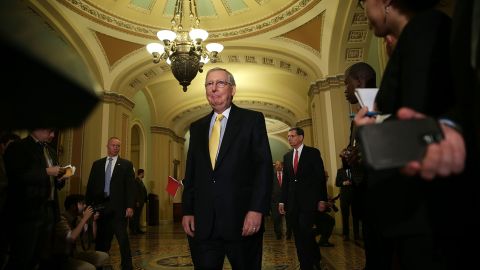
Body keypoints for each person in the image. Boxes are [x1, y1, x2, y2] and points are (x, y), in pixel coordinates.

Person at [354, 0, 456, 268]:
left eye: (365, 2)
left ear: (385, 2)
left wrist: (369, 132)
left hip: (424, 209)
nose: (364, 12)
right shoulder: (419, 33)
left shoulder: (424, 28)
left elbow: (419, 122)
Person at [181, 67, 273, 270]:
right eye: (209, 84)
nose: (213, 88)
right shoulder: (196, 127)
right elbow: (191, 173)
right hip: (204, 226)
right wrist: (187, 210)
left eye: (220, 83)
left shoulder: (252, 120)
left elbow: (263, 168)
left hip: (242, 223)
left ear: (232, 89)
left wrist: (257, 209)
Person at [3, 128, 67, 270]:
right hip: (28, 212)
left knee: (41, 256)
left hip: (49, 210)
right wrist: (47, 171)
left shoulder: (50, 151)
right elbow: (17, 175)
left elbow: (55, 182)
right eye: (49, 131)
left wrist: (60, 178)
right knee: (22, 257)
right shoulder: (19, 147)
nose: (53, 135)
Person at [278, 127, 328, 270]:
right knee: (299, 235)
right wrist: (282, 201)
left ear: (301, 137)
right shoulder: (287, 157)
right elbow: (286, 182)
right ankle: (309, 260)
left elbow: (320, 178)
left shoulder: (312, 153)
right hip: (293, 204)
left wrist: (322, 199)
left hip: (309, 203)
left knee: (306, 232)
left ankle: (308, 263)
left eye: (292, 136)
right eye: (288, 136)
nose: (289, 138)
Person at [85, 136, 135, 270]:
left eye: (118, 146)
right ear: (108, 146)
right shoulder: (97, 164)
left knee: (123, 240)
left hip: (119, 210)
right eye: (113, 145)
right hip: (101, 208)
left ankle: (127, 266)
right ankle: (99, 265)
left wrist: (130, 206)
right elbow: (91, 186)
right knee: (101, 241)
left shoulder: (126, 164)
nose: (116, 148)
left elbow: (130, 187)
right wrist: (89, 206)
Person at [340, 62, 376, 245]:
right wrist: (348, 153)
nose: (345, 89)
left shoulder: (382, 105)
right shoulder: (357, 118)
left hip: (380, 190)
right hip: (362, 188)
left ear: (360, 80)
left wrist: (363, 154)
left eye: (347, 83)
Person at [48, 194, 109, 270]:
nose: (85, 206)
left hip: (74, 254)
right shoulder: (61, 219)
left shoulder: (77, 219)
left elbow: (91, 238)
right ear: (73, 206)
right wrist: (84, 219)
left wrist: (93, 221)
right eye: (82, 203)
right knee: (89, 268)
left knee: (103, 256)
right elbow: (71, 238)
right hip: (60, 258)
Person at [314, 171, 336, 248]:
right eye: (326, 177)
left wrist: (328, 198)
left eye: (327, 177)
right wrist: (328, 204)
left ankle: (323, 240)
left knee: (326, 223)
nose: (327, 178)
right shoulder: (319, 185)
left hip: (319, 212)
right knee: (329, 222)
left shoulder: (320, 184)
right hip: (316, 211)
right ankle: (322, 240)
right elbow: (318, 200)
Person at [271, 161, 286, 240]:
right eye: (276, 165)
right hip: (274, 201)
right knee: (276, 218)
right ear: (275, 167)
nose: (278, 166)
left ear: (282, 165)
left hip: (286, 200)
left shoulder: (286, 175)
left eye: (279, 164)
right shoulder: (271, 176)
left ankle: (289, 233)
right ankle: (278, 234)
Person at [130, 168, 147, 235]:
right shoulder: (136, 181)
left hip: (141, 201)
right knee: (135, 216)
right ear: (141, 173)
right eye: (143, 173)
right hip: (137, 202)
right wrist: (137, 201)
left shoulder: (140, 181)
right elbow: (136, 192)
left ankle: (137, 229)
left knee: (138, 216)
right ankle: (134, 230)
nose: (144, 175)